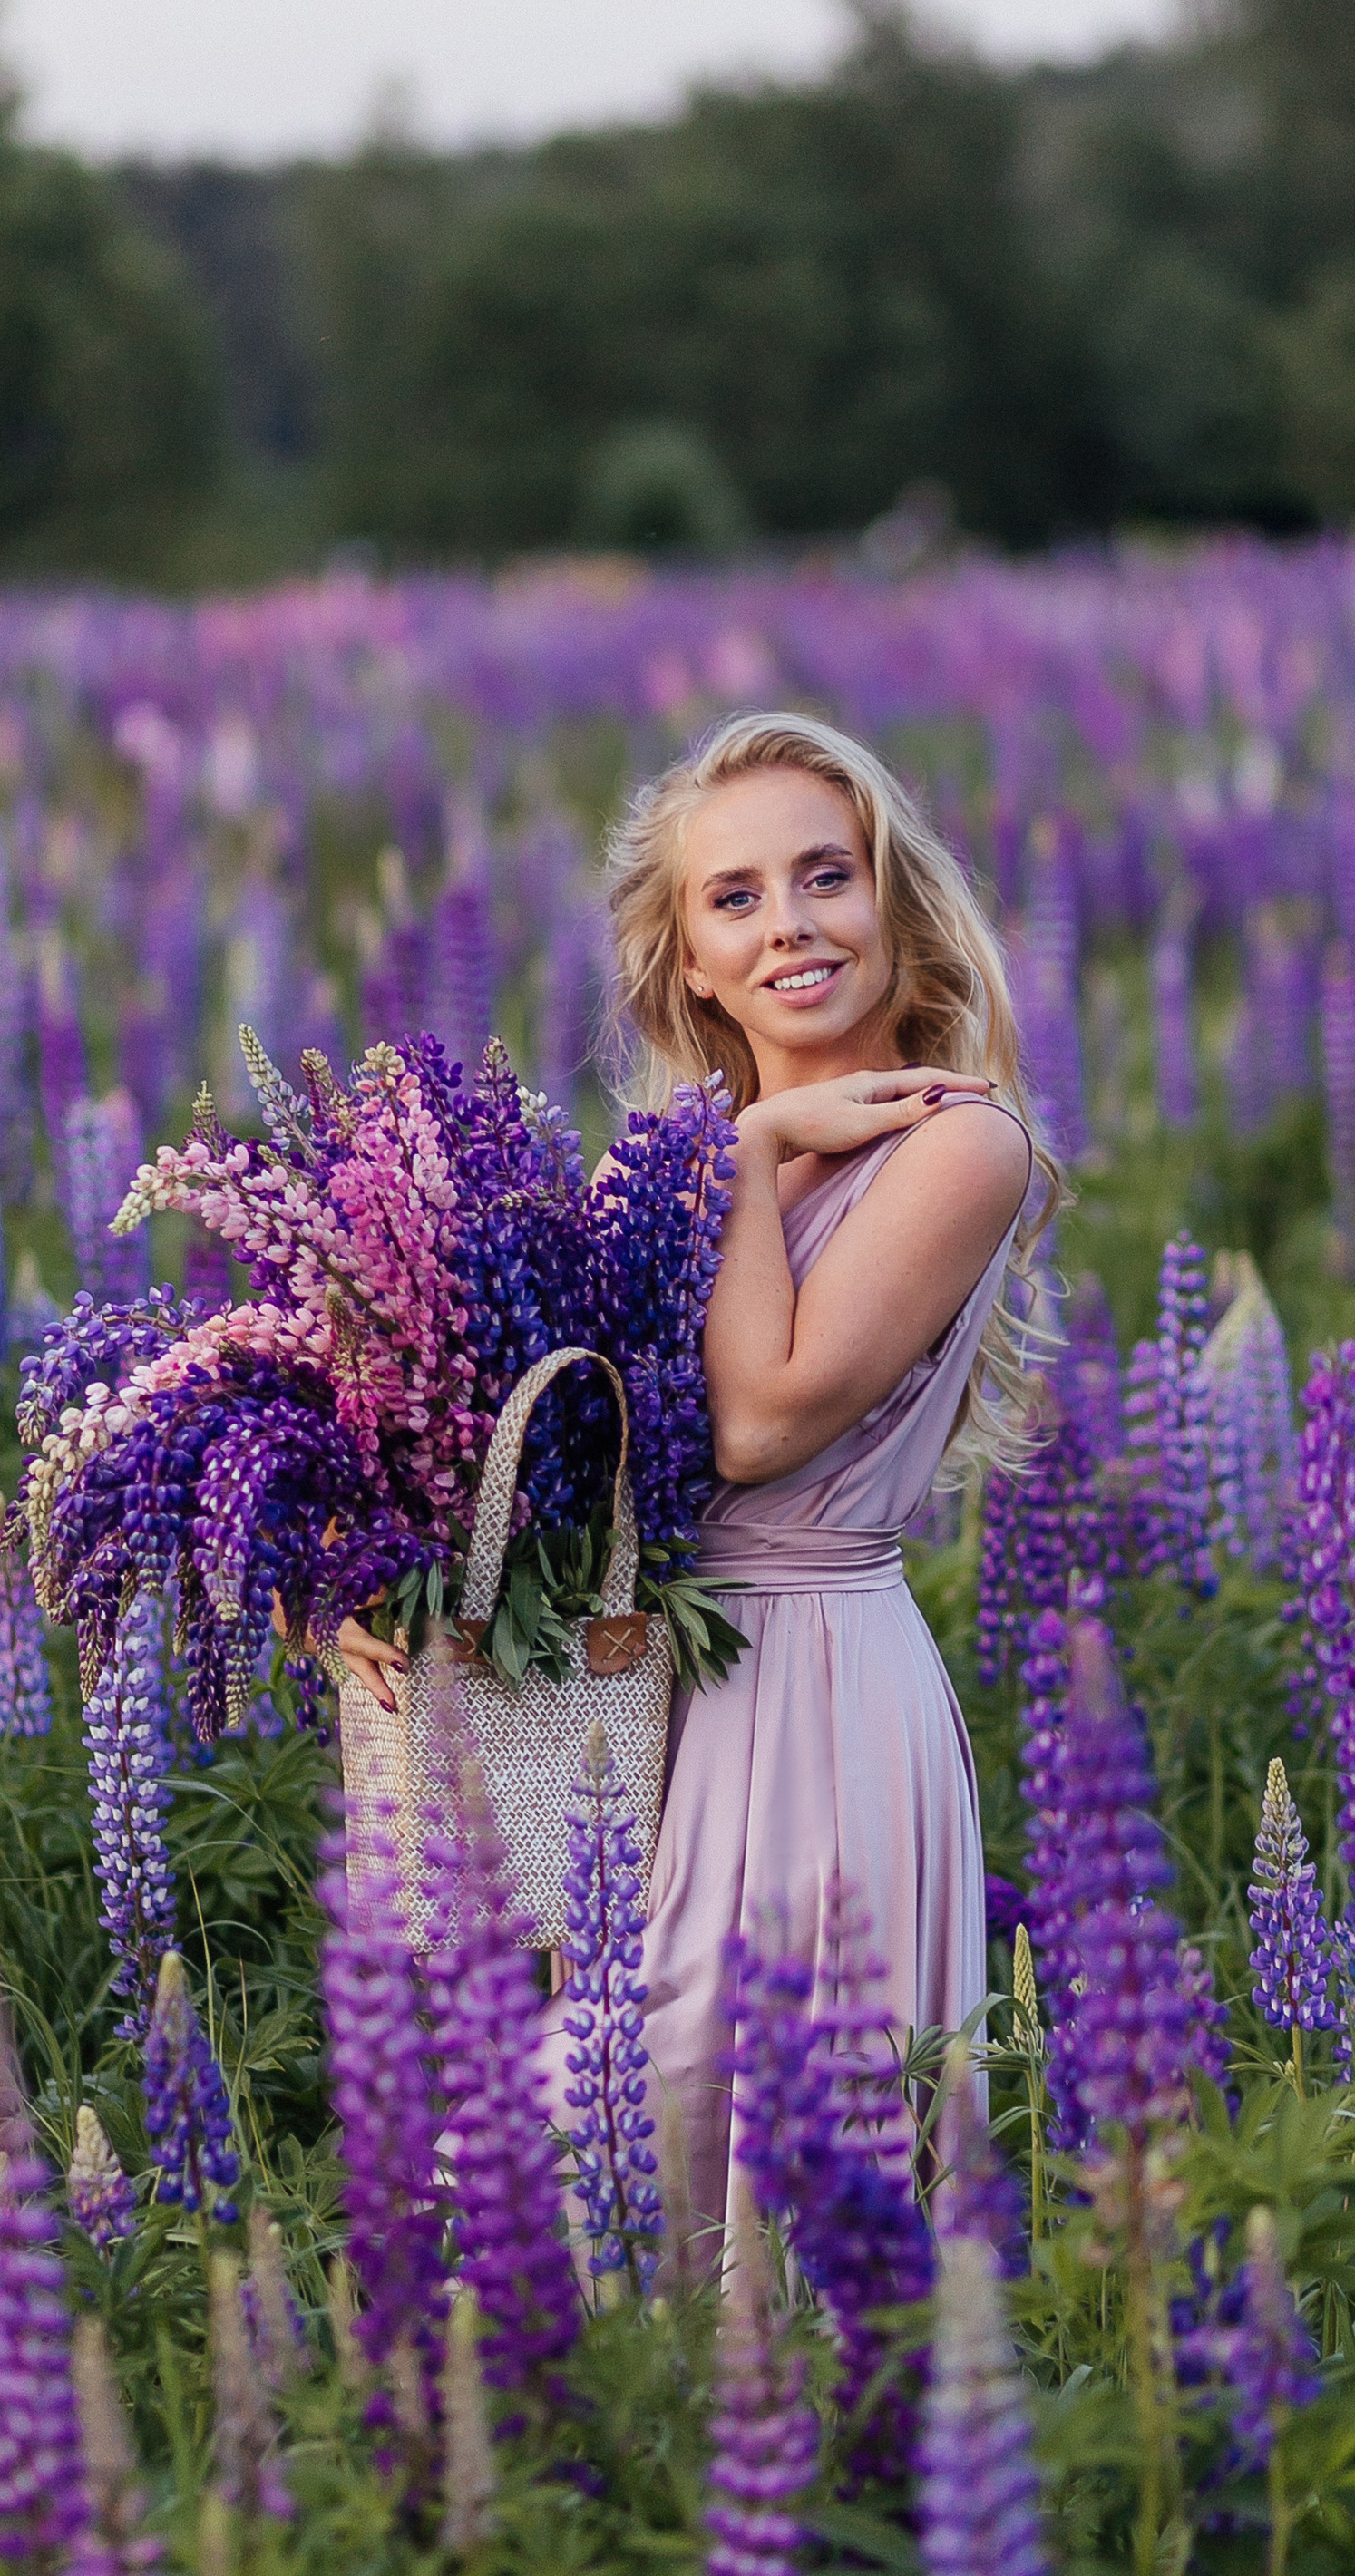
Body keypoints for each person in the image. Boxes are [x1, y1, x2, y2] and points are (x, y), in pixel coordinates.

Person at [335, 709, 1055, 2264]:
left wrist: (748, 1151)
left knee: (771, 2194)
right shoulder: (677, 1163)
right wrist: (374, 1578)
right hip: (639, 1706)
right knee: (556, 2170)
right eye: (737, 898)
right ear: (690, 962)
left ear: (895, 905)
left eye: (826, 877)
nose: (790, 925)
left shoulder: (957, 1145)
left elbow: (758, 1423)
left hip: (812, 1706)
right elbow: (523, 1445)